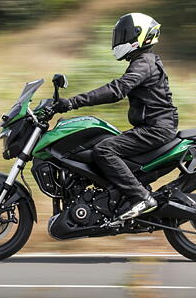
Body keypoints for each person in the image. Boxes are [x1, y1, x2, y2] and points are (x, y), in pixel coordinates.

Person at [53, 12, 179, 220]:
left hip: (156, 129)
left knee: (103, 150)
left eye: (124, 34)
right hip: (153, 127)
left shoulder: (144, 62)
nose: (119, 40)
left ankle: (141, 197)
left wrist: (73, 102)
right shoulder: (143, 61)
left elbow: (117, 90)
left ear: (139, 36)